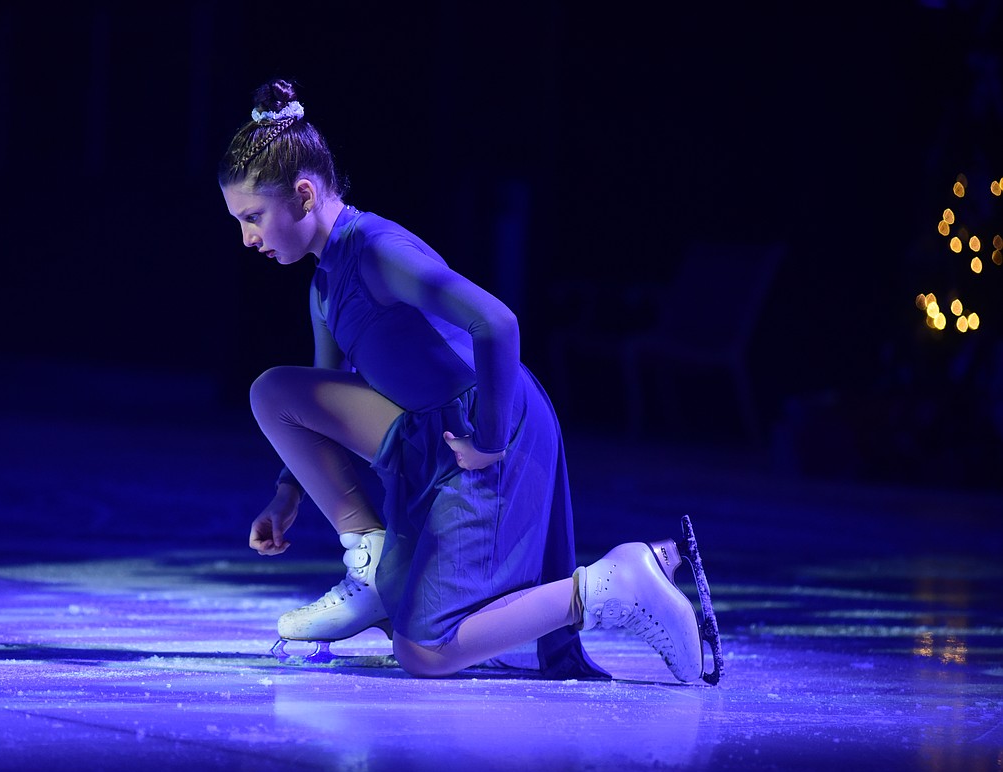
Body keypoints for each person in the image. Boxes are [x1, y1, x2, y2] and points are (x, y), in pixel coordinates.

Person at [218, 79, 722, 683]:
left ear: (303, 195)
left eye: (253, 217)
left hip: (491, 423)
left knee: (425, 653)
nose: (247, 238)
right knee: (274, 391)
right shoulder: (322, 286)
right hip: (428, 430)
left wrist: (488, 440)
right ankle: (373, 566)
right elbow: (324, 393)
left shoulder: (375, 249)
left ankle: (611, 585)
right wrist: (287, 493)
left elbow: (497, 322)